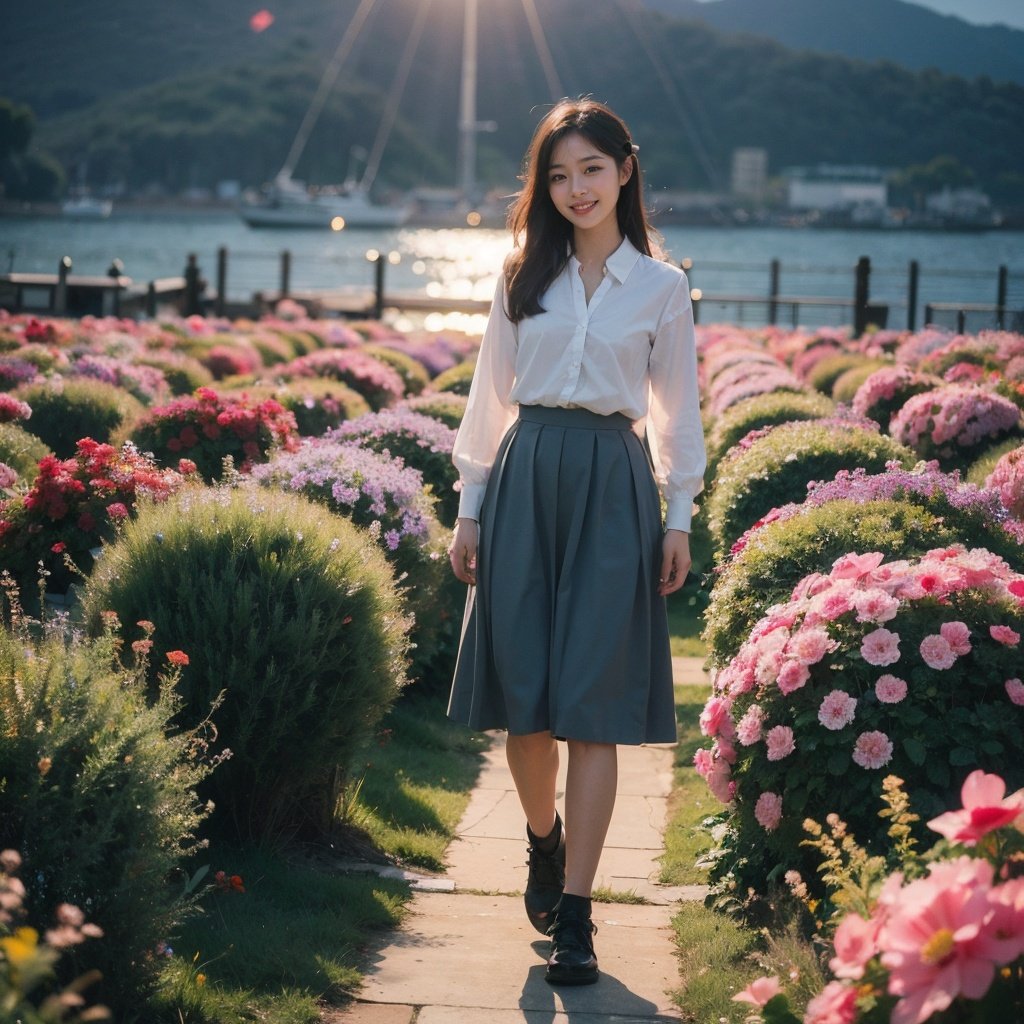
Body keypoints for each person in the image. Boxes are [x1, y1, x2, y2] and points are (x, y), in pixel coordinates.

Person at [447, 98, 706, 986]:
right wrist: (468, 506)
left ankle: (580, 920)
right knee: (531, 707)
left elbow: (680, 414)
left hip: (613, 484)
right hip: (524, 478)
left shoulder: (664, 289)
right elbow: (489, 394)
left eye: (591, 169)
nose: (575, 188)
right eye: (557, 175)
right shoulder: (522, 271)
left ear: (625, 172)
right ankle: (543, 842)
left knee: (592, 706)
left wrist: (679, 519)